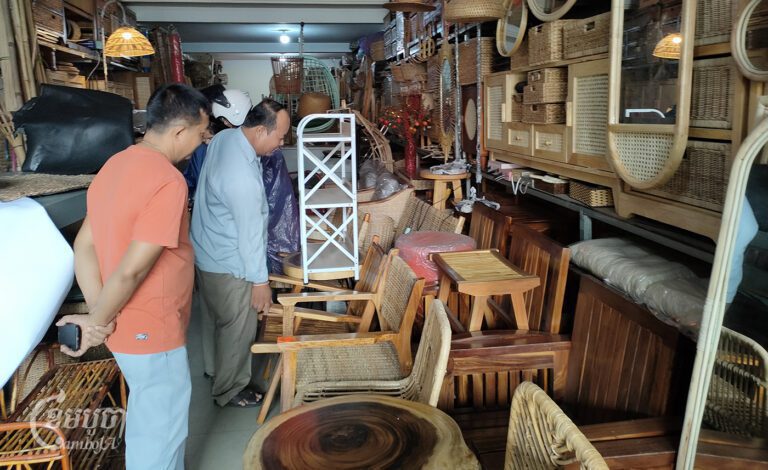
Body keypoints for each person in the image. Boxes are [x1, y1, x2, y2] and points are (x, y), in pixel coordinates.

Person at [57, 84, 210, 470]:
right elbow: (134, 268)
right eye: (200, 133)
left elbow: (85, 247)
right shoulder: (167, 180)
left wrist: (99, 316)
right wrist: (98, 320)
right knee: (161, 433)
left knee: (147, 421)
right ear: (179, 131)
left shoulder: (115, 165)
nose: (200, 143)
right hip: (151, 327)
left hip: (123, 324)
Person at [190, 98, 290, 407]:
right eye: (280, 136)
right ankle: (230, 389)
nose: (282, 143)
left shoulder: (226, 137)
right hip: (229, 260)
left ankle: (213, 370)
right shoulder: (241, 179)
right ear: (260, 130)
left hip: (206, 251)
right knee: (237, 325)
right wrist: (260, 283)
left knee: (214, 319)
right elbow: (249, 235)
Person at [183, 87, 252, 198]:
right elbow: (189, 180)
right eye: (203, 138)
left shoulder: (240, 152)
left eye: (210, 139)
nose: (206, 143)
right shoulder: (201, 151)